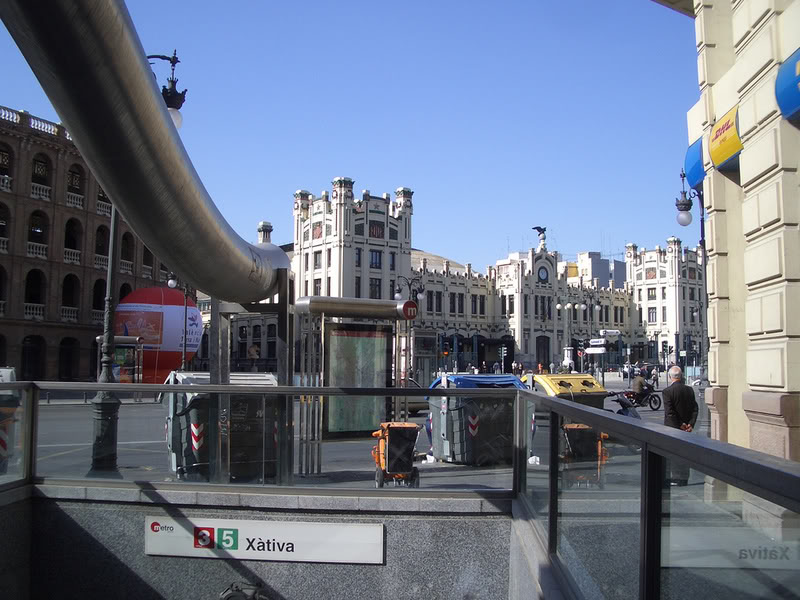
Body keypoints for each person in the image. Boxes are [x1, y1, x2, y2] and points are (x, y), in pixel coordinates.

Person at [662, 366, 699, 486]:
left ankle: (675, 477)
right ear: (681, 376)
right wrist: (690, 424)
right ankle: (684, 478)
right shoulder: (689, 390)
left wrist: (680, 424)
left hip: (672, 428)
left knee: (672, 453)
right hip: (687, 429)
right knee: (684, 452)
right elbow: (695, 409)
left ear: (670, 377)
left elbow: (670, 412)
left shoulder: (667, 392)